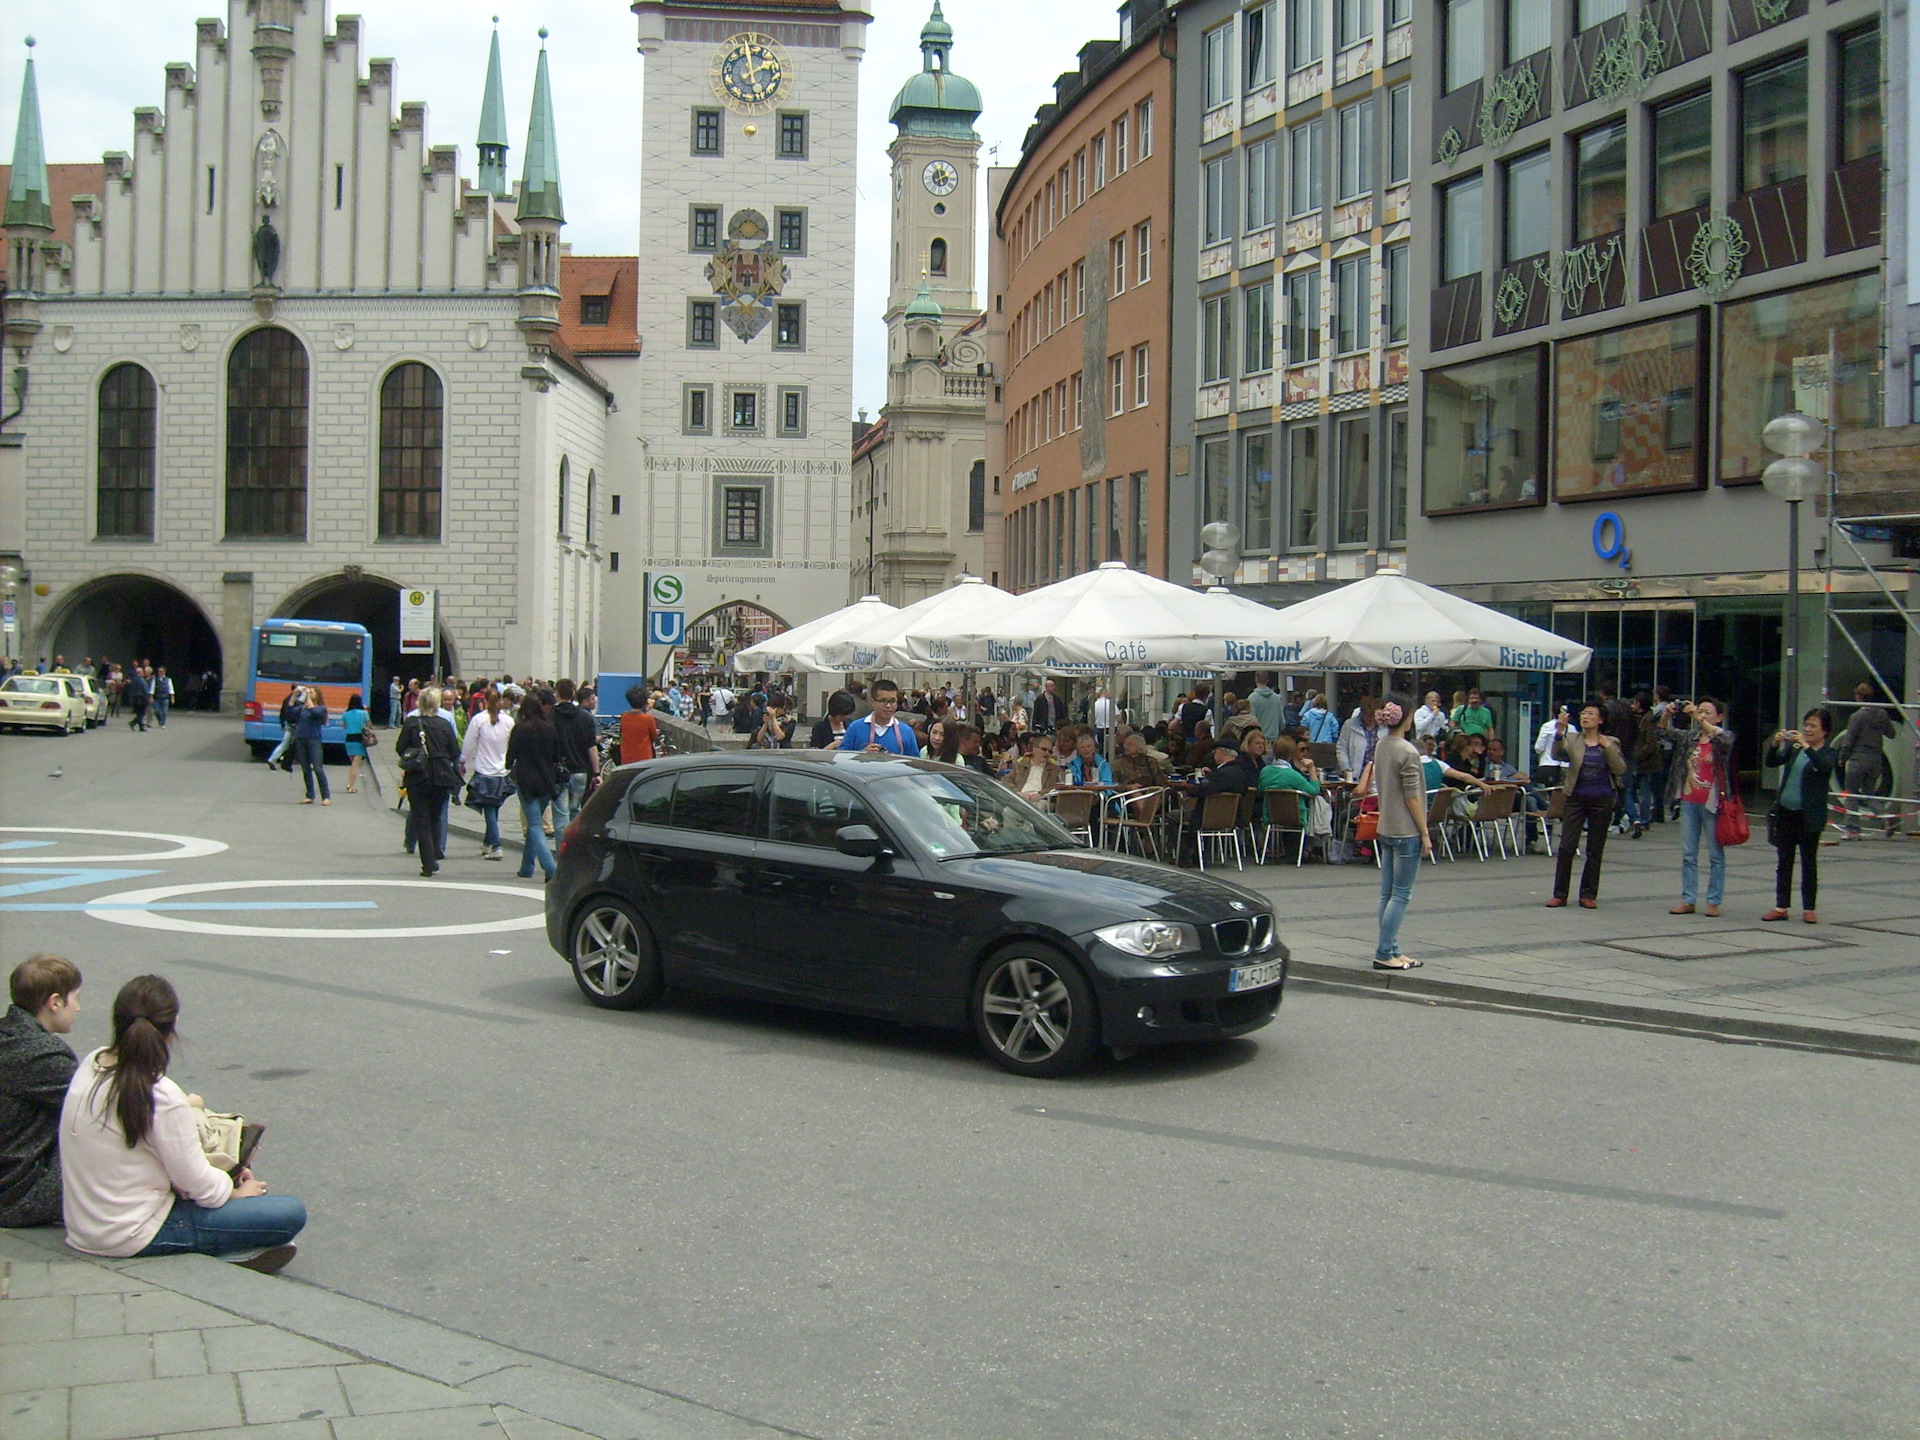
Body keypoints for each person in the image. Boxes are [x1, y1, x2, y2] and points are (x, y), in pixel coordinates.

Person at [60, 976, 305, 1271]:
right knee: (288, 1213)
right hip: (134, 1231)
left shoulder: (92, 1063)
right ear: (170, 1029)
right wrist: (235, 1192)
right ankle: (228, 1249)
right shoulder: (160, 1095)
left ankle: (237, 1239)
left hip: (84, 1226)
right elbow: (201, 1187)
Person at [0, 955, 82, 1227]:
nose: (79, 1008)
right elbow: (98, 1105)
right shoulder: (43, 1056)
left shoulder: (8, 1035)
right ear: (55, 1002)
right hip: (19, 1192)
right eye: (76, 998)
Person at [1370, 695, 1431, 970]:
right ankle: (1384, 951)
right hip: (1406, 829)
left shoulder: (1382, 745)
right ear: (1405, 717)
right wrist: (1425, 833)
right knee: (1401, 894)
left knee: (1387, 893)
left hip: (1386, 826)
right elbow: (1413, 797)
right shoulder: (1408, 751)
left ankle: (1392, 947)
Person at [1547, 702, 1626, 909]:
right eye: (1583, 713)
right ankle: (1560, 894)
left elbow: (1620, 768)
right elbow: (1556, 755)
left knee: (1595, 848)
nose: (1585, 717)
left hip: (1602, 799)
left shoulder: (1610, 741)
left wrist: (1607, 747)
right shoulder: (1573, 739)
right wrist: (1559, 732)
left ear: (1600, 720)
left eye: (1590, 714)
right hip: (1576, 798)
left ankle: (1588, 894)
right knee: (1566, 847)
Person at [1764, 708, 1837, 924]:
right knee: (1784, 860)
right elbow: (1772, 762)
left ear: (1824, 731)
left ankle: (1809, 907)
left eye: (1813, 726)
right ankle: (1781, 906)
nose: (1807, 729)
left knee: (1808, 861)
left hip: (1809, 816)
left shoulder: (1828, 753)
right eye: (1806, 725)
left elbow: (1823, 768)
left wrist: (1807, 747)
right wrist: (1776, 744)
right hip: (1786, 812)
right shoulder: (1795, 748)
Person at [1669, 697, 1735, 917]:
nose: (1703, 716)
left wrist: (1699, 719)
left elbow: (1724, 742)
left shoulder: (1723, 737)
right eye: (1701, 712)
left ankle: (1713, 900)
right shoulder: (1692, 738)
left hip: (1713, 803)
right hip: (1689, 801)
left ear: (1719, 717)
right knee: (1689, 853)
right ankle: (1688, 898)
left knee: (1716, 854)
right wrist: (1667, 715)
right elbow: (1665, 733)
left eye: (1708, 712)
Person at [398, 687, 460, 878]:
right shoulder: (444, 724)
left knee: (421, 820)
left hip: (418, 775)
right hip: (441, 775)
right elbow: (455, 751)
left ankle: (428, 863)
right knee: (435, 817)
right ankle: (435, 853)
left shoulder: (412, 723)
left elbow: (400, 747)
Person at [506, 693, 561, 881]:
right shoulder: (550, 728)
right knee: (534, 823)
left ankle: (550, 867)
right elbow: (556, 756)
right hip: (547, 781)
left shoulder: (519, 729)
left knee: (535, 825)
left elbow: (509, 758)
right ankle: (526, 867)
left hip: (526, 781)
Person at [1836, 684, 1899, 839]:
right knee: (1869, 793)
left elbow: (1849, 740)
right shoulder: (1882, 714)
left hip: (1858, 759)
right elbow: (1891, 733)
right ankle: (1885, 816)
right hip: (1876, 760)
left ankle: (1853, 830)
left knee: (1851, 794)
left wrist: (1842, 757)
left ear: (1858, 697)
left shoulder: (1856, 717)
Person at [459, 688, 514, 861]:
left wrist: (462, 761)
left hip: (484, 770)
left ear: (484, 701)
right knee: (494, 807)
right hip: (502, 771)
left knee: (489, 810)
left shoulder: (478, 720)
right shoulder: (508, 721)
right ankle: (487, 842)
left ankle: (496, 845)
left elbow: (469, 744)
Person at [550, 680, 600, 828]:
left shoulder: (551, 716)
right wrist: (596, 772)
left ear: (557, 694)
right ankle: (574, 846)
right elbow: (592, 747)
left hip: (559, 771)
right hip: (580, 770)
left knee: (561, 815)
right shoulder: (584, 717)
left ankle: (562, 849)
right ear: (573, 693)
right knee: (575, 810)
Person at [838, 679, 921, 755]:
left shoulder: (906, 732)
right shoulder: (855, 728)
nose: (888, 706)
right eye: (883, 701)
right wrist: (862, 755)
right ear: (872, 701)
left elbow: (915, 763)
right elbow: (841, 758)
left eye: (892, 701)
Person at [290, 686, 331, 804]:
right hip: (301, 740)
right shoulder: (303, 708)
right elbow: (291, 711)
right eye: (309, 693)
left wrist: (307, 697)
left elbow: (314, 712)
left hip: (314, 740)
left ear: (317, 695)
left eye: (312, 693)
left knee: (318, 768)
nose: (310, 694)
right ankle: (310, 795)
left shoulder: (321, 708)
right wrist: (294, 695)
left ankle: (326, 796)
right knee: (305, 769)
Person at [1337, 696, 1382, 778]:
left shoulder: (1383, 727)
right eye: (1368, 716)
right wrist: (1346, 768)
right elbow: (1341, 748)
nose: (1371, 719)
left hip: (1377, 775)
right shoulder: (1349, 725)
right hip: (1356, 774)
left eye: (1373, 715)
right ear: (1362, 713)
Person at [619, 683, 660, 764]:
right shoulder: (648, 719)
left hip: (627, 756)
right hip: (644, 757)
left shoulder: (624, 717)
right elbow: (654, 736)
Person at [342, 693, 371, 793]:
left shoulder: (346, 713)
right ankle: (350, 785)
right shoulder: (363, 713)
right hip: (359, 739)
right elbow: (369, 724)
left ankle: (350, 783)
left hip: (349, 739)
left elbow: (344, 726)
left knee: (353, 763)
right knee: (356, 764)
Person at [123, 665, 151, 732]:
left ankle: (141, 727)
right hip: (142, 698)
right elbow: (145, 690)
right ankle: (133, 723)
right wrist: (148, 697)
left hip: (134, 698)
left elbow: (130, 689)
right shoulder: (142, 680)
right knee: (142, 712)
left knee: (139, 712)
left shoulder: (133, 680)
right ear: (140, 673)